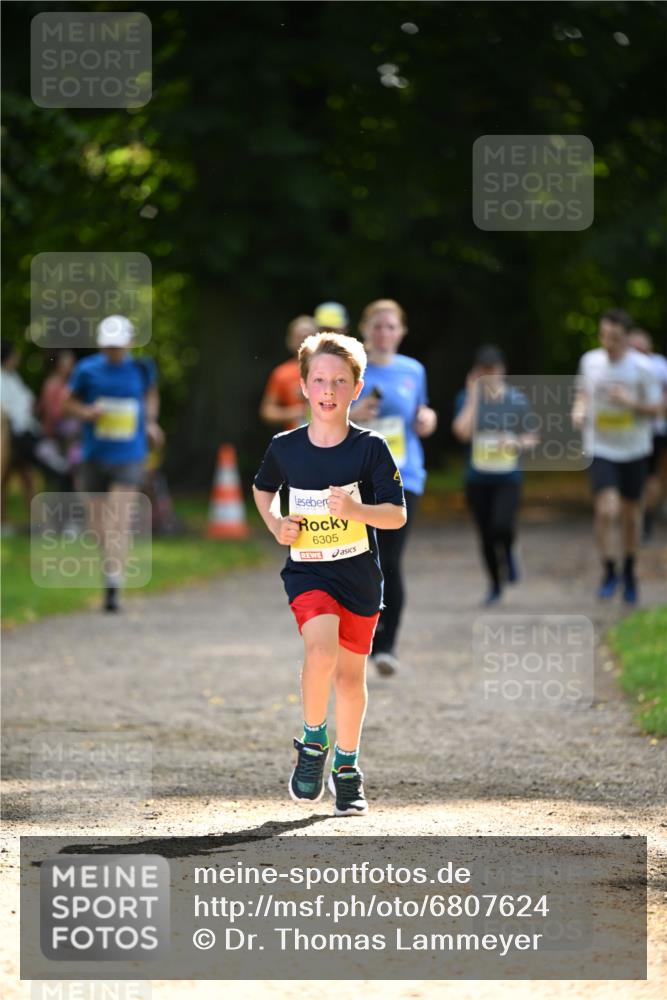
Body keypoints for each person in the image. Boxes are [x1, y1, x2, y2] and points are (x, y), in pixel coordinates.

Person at [253, 332, 405, 816]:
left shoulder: (371, 449)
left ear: (357, 388)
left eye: (341, 381)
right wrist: (277, 523)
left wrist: (357, 509)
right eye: (319, 379)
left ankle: (347, 766)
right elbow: (262, 490)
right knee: (319, 652)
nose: (329, 389)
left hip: (359, 576)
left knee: (349, 676)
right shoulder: (285, 447)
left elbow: (396, 515)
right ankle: (314, 739)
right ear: (303, 386)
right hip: (309, 572)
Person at [350, 299, 437, 675]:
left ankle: (386, 647)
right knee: (360, 559)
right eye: (377, 327)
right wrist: (351, 414)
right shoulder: (350, 369)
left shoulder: (413, 370)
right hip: (358, 477)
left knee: (390, 559)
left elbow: (422, 413)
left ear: (401, 332)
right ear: (365, 331)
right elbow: (324, 416)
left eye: (391, 327)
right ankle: (361, 637)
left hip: (405, 476)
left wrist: (427, 419)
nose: (384, 334)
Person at [62, 315, 164, 612]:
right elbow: (67, 403)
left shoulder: (142, 368)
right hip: (94, 455)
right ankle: (111, 565)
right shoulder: (86, 370)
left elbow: (151, 395)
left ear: (129, 343)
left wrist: (151, 422)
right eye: (109, 347)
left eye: (118, 346)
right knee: (96, 525)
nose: (114, 352)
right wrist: (86, 412)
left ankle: (113, 580)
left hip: (130, 454)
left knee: (118, 519)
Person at [572, 309, 662, 603]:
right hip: (601, 447)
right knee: (605, 510)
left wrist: (630, 402)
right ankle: (609, 570)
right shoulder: (590, 361)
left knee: (630, 517)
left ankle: (630, 572)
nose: (608, 342)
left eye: (614, 338)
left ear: (626, 338)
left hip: (634, 449)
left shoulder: (642, 367)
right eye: (604, 336)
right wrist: (579, 410)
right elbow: (582, 394)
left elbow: (659, 408)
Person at [452, 345, 537, 605]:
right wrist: (473, 398)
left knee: (502, 524)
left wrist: (515, 443)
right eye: (484, 371)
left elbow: (532, 437)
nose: (490, 376)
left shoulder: (517, 400)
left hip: (507, 477)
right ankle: (494, 584)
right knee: (485, 533)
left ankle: (510, 552)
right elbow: (461, 433)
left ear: (503, 370)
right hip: (477, 478)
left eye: (494, 370)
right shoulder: (466, 399)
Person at [1, 340, 69, 533]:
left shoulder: (12, 377)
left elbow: (28, 401)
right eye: (14, 354)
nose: (17, 358)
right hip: (15, 438)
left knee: (26, 479)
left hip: (24, 434)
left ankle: (37, 523)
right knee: (8, 480)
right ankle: (5, 522)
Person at [627, 328, 667, 539]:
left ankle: (647, 515)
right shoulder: (626, 365)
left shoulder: (659, 365)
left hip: (653, 429)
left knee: (650, 476)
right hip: (628, 430)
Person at [259, 315, 317, 431]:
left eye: (308, 336)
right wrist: (296, 412)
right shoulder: (281, 373)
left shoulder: (334, 368)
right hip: (297, 441)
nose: (303, 341)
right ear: (289, 341)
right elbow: (267, 411)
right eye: (298, 337)